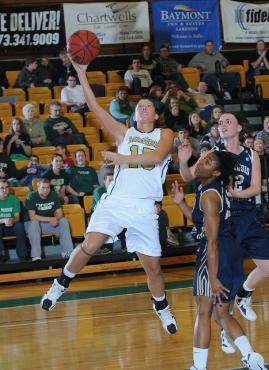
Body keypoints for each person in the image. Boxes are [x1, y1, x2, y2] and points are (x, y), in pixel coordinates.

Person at [40, 57, 178, 336]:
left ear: (154, 115)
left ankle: (161, 307)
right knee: (90, 244)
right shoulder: (124, 133)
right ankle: (60, 285)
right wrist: (80, 73)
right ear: (135, 115)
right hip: (116, 203)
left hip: (143, 208)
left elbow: (158, 156)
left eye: (147, 106)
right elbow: (93, 107)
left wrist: (119, 157)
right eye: (139, 106)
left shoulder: (165, 133)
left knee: (153, 268)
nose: (142, 107)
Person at [179, 112, 269, 345]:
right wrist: (184, 159)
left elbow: (256, 187)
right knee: (226, 279)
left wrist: (236, 193)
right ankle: (225, 328)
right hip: (225, 222)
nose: (223, 124)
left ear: (239, 128)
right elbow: (189, 174)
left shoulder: (251, 155)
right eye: (220, 122)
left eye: (228, 120)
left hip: (247, 216)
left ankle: (245, 294)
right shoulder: (212, 154)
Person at [171, 150, 267, 370]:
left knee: (204, 312)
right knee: (222, 313)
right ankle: (251, 357)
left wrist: (213, 278)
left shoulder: (209, 196)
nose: (202, 162)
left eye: (208, 162)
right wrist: (180, 203)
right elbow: (202, 222)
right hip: (230, 251)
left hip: (215, 253)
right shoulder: (211, 189)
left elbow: (212, 240)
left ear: (215, 172)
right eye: (203, 158)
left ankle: (199, 366)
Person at [24, 178, 74, 261]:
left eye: (48, 188)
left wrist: (55, 218)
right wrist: (50, 219)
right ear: (38, 187)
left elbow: (59, 213)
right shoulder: (32, 196)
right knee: (34, 223)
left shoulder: (53, 195)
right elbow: (32, 217)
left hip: (46, 224)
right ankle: (36, 256)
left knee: (63, 221)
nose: (45, 190)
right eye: (43, 188)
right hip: (31, 225)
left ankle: (67, 252)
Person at [0, 179, 28, 263]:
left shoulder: (14, 199)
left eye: (6, 187)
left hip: (12, 224)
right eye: (1, 188)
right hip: (1, 225)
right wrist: (4, 220)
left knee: (19, 226)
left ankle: (23, 255)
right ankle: (1, 255)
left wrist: (12, 220)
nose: (4, 190)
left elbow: (17, 217)